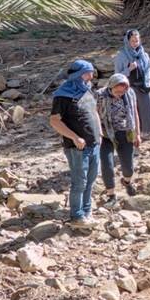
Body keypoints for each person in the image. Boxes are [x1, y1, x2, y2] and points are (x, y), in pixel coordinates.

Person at [49, 59, 101, 226]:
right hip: (77, 147)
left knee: (91, 181)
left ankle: (87, 212)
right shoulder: (62, 95)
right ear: (78, 75)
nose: (91, 76)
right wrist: (74, 137)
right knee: (80, 183)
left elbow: (94, 112)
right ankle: (77, 216)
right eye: (88, 73)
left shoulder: (87, 91)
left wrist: (100, 133)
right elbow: (55, 121)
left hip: (94, 144)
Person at [114, 29, 150, 151]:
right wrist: (129, 69)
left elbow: (148, 70)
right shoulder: (121, 56)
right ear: (127, 41)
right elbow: (117, 75)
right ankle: (136, 142)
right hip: (130, 89)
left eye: (137, 40)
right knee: (132, 114)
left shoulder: (144, 54)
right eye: (132, 41)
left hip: (145, 88)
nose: (135, 43)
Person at [95, 73, 141, 205]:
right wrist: (97, 133)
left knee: (128, 167)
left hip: (125, 131)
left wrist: (137, 133)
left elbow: (135, 113)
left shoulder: (130, 93)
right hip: (105, 134)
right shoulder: (99, 95)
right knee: (107, 164)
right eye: (117, 91)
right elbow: (94, 113)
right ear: (110, 87)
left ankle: (126, 181)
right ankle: (111, 194)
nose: (120, 94)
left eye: (123, 91)